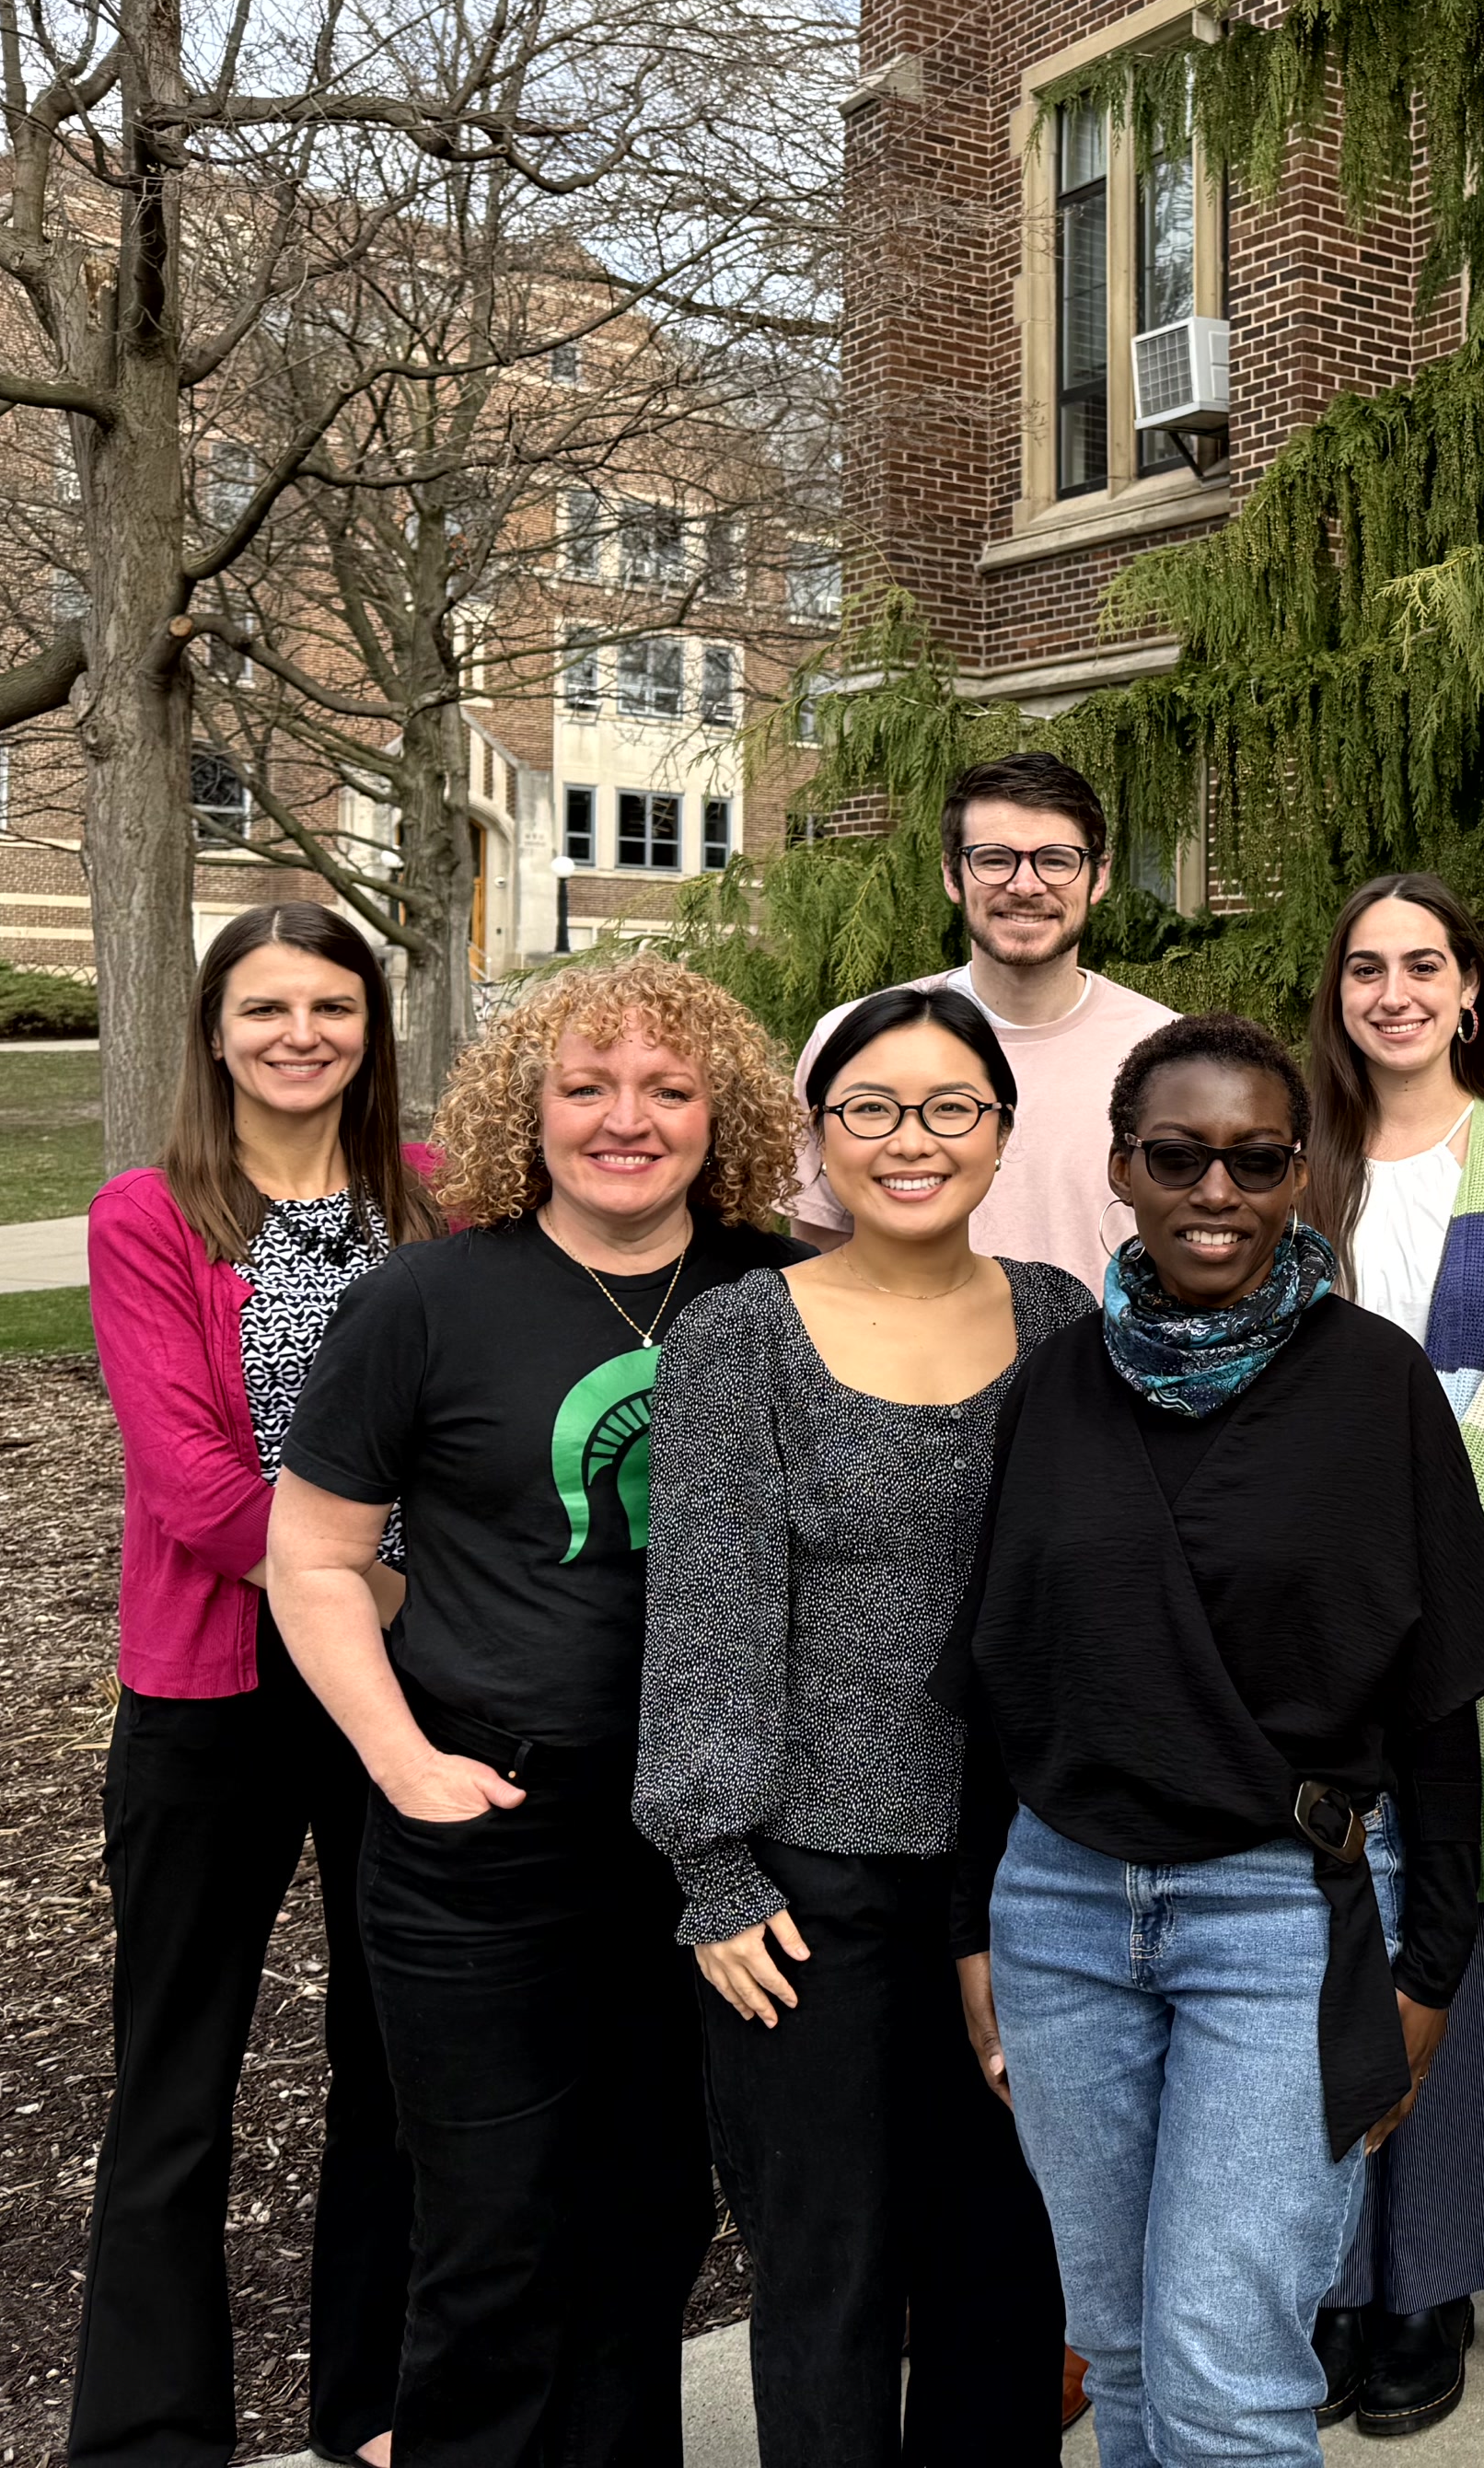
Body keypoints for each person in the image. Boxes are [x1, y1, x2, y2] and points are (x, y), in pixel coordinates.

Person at [941, 1013, 1484, 2468]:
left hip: (1285, 1915)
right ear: (1122, 1171)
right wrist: (974, 1926)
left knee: (1227, 2372)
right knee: (1128, 2351)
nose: (1217, 1191)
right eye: (1180, 1157)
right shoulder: (1055, 1387)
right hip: (1064, 1913)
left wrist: (1430, 1966)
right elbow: (999, 1687)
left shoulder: (1374, 1386)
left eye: (1255, 1161)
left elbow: (1435, 1697)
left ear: (1299, 1175)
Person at [268, 956, 807, 2468]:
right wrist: (404, 1762)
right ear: (528, 1105)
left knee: (650, 2218)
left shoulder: (785, 1291)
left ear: (723, 1114)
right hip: (486, 1832)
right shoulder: (426, 1301)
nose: (624, 1119)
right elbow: (310, 1558)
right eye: (587, 1086)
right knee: (493, 2232)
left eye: (665, 1088)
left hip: (709, 1843)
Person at [635, 987, 1083, 2468]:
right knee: (825, 2269)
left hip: (1026, 1871)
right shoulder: (740, 1340)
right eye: (871, 1110)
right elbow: (706, 1613)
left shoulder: (1065, 1324)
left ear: (1001, 1134)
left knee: (1005, 2262)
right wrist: (713, 1867)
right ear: (820, 1141)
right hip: (809, 1889)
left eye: (951, 1107)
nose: (912, 1140)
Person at [70, 902, 435, 2468]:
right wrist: (377, 1586)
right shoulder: (150, 1217)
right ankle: (150, 2433)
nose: (302, 1034)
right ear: (214, 1030)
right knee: (177, 2076)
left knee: (400, 2059)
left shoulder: (437, 1206)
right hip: (215, 1692)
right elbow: (194, 1482)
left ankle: (379, 2401)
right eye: (268, 1007)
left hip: (405, 1704)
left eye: (333, 1008)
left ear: (371, 1033)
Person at [1303, 871, 1484, 2433]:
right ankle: (1333, 2282)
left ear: (1470, 985)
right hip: (1313, 1632)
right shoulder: (1304, 1154)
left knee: (1453, 1955)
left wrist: (1419, 1589)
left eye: (1425, 964)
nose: (1395, 990)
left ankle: (1430, 2289)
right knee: (1321, 1953)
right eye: (1366, 967)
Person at [789, 748, 1174, 1300]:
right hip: (905, 1375)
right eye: (995, 859)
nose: (1025, 885)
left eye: (1057, 859)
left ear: (1099, 876)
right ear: (952, 874)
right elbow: (819, 1246)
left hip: (1106, 1379)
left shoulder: (1168, 1053)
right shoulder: (853, 1041)